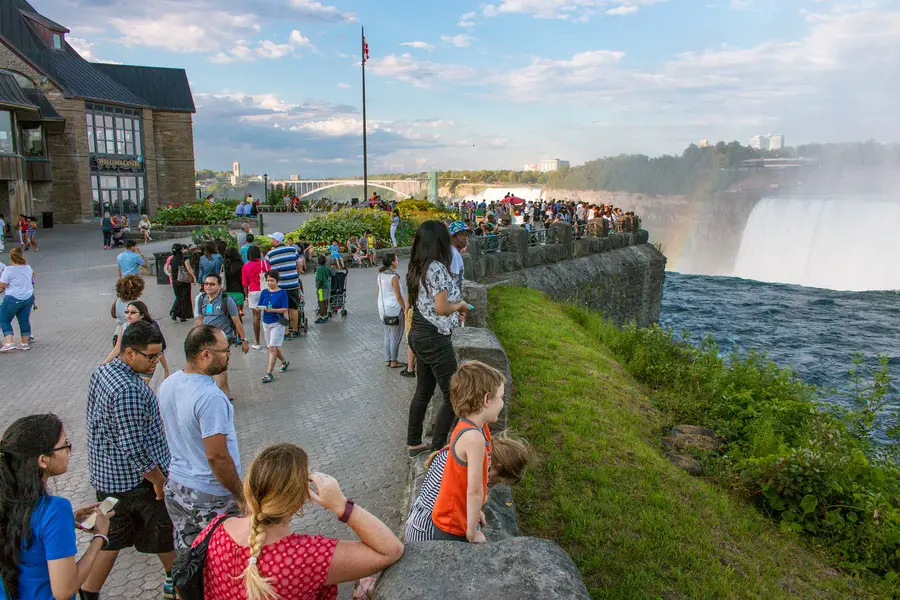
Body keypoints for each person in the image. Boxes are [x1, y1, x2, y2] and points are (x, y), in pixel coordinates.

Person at [194, 443, 404, 600]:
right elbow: (390, 550)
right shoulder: (309, 556)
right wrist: (341, 505)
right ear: (300, 501)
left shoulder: (213, 531)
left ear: (248, 487)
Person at [83, 321, 177, 600]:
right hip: (138, 483)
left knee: (113, 538)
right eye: (150, 356)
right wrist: (159, 481)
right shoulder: (129, 390)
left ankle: (88, 592)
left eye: (159, 355)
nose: (155, 362)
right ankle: (185, 586)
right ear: (128, 353)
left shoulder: (103, 372)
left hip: (108, 478)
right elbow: (134, 448)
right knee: (166, 532)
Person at [0, 414, 114, 600]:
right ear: (43, 460)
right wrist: (100, 536)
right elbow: (64, 590)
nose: (69, 451)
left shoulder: (8, 501)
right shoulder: (54, 510)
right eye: (64, 445)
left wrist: (67, 521)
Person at [158, 325, 244, 550]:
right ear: (206, 354)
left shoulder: (169, 384)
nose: (228, 356)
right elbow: (217, 456)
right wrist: (240, 494)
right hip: (210, 495)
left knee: (190, 559)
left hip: (177, 486)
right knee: (228, 558)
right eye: (225, 351)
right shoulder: (210, 397)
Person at [406, 221, 470, 455]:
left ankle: (414, 442)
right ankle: (439, 448)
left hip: (419, 333)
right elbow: (442, 308)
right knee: (454, 394)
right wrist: (461, 305)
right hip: (434, 336)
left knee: (423, 391)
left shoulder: (417, 266)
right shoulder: (437, 268)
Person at [405, 432, 530, 543]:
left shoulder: (458, 454)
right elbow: (454, 513)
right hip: (427, 534)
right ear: (497, 467)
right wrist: (472, 532)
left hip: (416, 523)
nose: (491, 485)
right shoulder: (468, 475)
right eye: (496, 482)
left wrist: (474, 510)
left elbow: (454, 500)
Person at [431, 361, 506, 543]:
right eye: (501, 397)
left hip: (458, 517)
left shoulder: (477, 427)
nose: (503, 403)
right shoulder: (474, 438)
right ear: (487, 400)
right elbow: (473, 490)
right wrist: (471, 532)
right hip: (452, 525)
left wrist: (475, 510)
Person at [195, 274, 249, 401]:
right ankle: (226, 392)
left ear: (219, 286)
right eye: (206, 283)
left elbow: (237, 322)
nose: (208, 286)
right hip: (206, 338)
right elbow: (199, 319)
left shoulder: (227, 300)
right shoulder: (201, 299)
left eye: (212, 284)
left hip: (223, 339)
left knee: (216, 366)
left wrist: (244, 340)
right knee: (221, 367)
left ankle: (217, 395)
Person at [104, 300, 170, 382]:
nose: (129, 315)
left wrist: (166, 369)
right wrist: (105, 364)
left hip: (145, 365)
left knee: (143, 385)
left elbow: (157, 352)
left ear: (142, 315)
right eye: (127, 312)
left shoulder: (148, 329)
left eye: (133, 312)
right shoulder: (124, 327)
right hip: (130, 365)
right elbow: (117, 347)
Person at [265, 232, 304, 339]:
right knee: (294, 308)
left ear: (276, 241)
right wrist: (297, 275)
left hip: (280, 287)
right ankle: (295, 330)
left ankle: (286, 332)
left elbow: (267, 270)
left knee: (283, 310)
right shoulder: (292, 250)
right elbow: (300, 263)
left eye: (272, 239)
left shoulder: (270, 254)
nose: (271, 241)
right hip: (293, 285)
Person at [0, 248, 35, 352]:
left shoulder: (9, 270)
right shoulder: (28, 267)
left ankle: (9, 342)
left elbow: (3, 284)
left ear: (11, 258)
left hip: (13, 298)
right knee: (24, 320)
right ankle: (24, 343)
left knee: (3, 319)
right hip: (28, 298)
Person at [258, 270, 289, 383]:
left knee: (272, 348)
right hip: (266, 322)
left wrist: (272, 310)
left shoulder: (282, 293)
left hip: (278, 322)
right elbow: (260, 305)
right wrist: (260, 308)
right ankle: (284, 362)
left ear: (277, 281)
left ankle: (269, 372)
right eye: (268, 281)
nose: (270, 283)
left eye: (272, 280)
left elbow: (285, 309)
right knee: (272, 347)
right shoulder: (264, 292)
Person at [377, 253, 406, 369]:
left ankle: (387, 359)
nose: (398, 262)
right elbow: (398, 296)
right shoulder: (393, 277)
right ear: (392, 262)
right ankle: (394, 361)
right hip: (394, 309)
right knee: (395, 336)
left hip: (383, 309)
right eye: (396, 260)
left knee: (387, 335)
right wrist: (405, 308)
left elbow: (378, 292)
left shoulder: (380, 275)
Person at [241, 245, 268, 350]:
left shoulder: (246, 266)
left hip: (253, 292)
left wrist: (246, 297)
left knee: (256, 317)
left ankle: (257, 342)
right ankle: (270, 340)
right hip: (265, 291)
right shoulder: (265, 263)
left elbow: (245, 283)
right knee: (268, 314)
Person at [111, 274, 144, 346]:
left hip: (117, 333)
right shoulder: (137, 303)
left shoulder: (117, 301)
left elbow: (113, 315)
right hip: (132, 335)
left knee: (118, 356)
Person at [167, 244, 195, 322]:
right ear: (181, 250)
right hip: (184, 281)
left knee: (179, 297)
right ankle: (181, 315)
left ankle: (175, 312)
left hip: (175, 281)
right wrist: (194, 278)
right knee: (185, 298)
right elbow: (189, 269)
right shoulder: (184, 258)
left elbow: (169, 270)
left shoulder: (172, 259)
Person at [223, 247, 245, 317]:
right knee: (239, 313)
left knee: (229, 314)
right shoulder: (241, 264)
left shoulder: (224, 264)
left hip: (227, 291)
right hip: (239, 291)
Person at [314, 255, 331, 325]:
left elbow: (320, 280)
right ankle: (326, 315)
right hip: (327, 286)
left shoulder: (319, 269)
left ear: (318, 262)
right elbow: (330, 274)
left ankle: (322, 316)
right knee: (326, 301)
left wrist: (318, 289)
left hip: (321, 288)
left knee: (321, 302)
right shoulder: (327, 268)